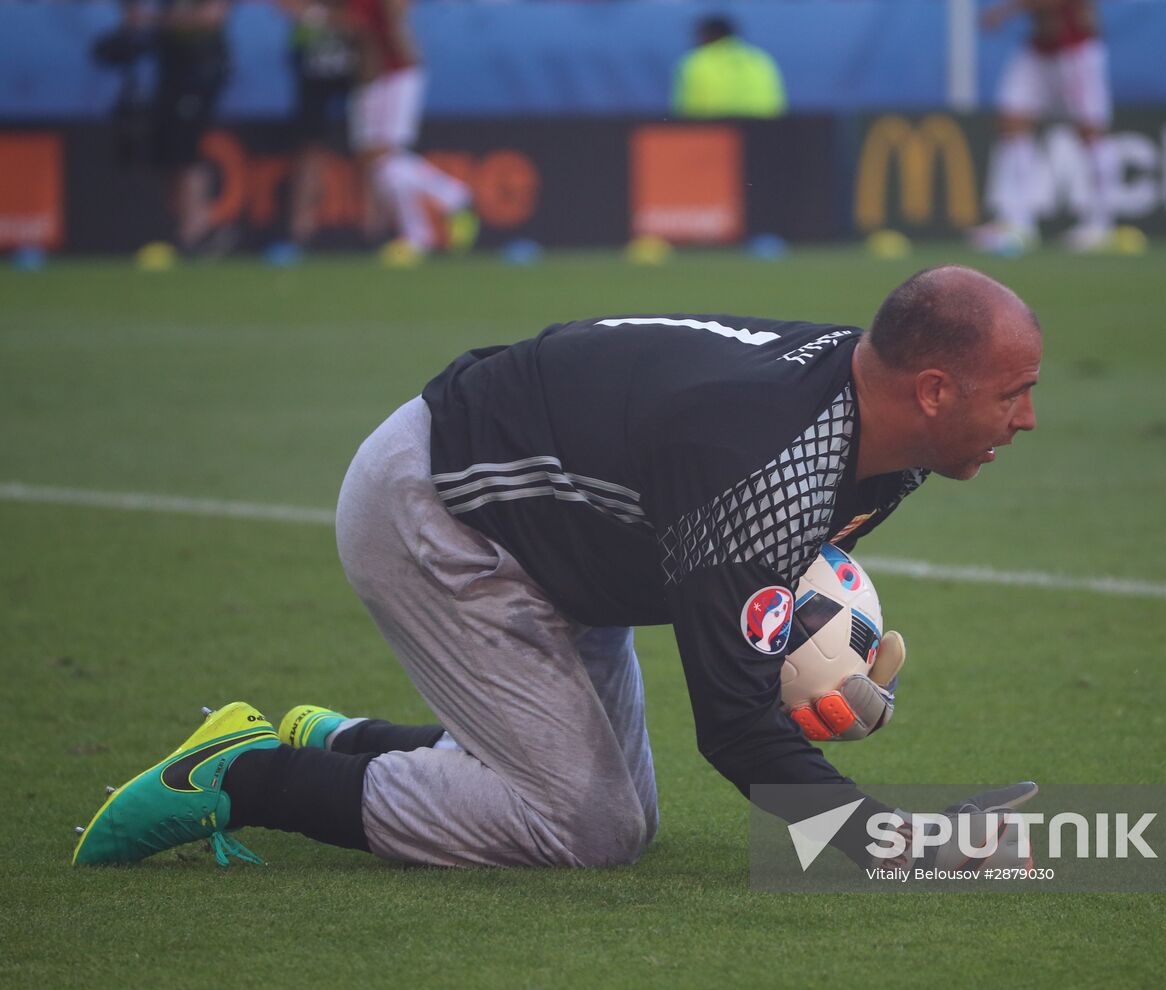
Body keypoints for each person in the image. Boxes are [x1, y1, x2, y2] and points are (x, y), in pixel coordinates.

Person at [72, 266, 1041, 871]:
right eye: (1013, 394)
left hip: (558, 539)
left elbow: (751, 573)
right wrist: (893, 844)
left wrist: (801, 653)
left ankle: (345, 740)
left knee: (619, 812)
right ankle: (245, 777)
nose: (1026, 418)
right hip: (443, 513)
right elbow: (734, 729)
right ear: (930, 388)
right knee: (581, 831)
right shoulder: (769, 462)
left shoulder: (878, 433)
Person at [973, 0, 1115, 253]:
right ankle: (1019, 222)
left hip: (1075, 49)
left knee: (1089, 131)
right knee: (1011, 121)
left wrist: (1004, 11)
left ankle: (1101, 224)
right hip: (1039, 48)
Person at [343, 0, 475, 266]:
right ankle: (422, 231)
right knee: (381, 163)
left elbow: (390, 22)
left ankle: (449, 203)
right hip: (377, 77)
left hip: (393, 74)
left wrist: (395, 70)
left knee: (386, 157)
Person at [275, 0, 358, 257]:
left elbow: (361, 19)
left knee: (372, 148)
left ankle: (374, 231)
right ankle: (300, 233)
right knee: (308, 150)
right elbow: (288, 8)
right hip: (311, 69)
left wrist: (320, 15)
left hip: (358, 67)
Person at [148, 0, 232, 253]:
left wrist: (164, 21)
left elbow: (210, 17)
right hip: (170, 78)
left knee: (189, 153)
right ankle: (181, 228)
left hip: (200, 74)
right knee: (172, 155)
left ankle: (196, 231)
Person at [672, 15, 787, 119]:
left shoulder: (695, 62)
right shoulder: (761, 59)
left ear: (708, 35)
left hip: (717, 134)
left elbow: (686, 112)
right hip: (764, 133)